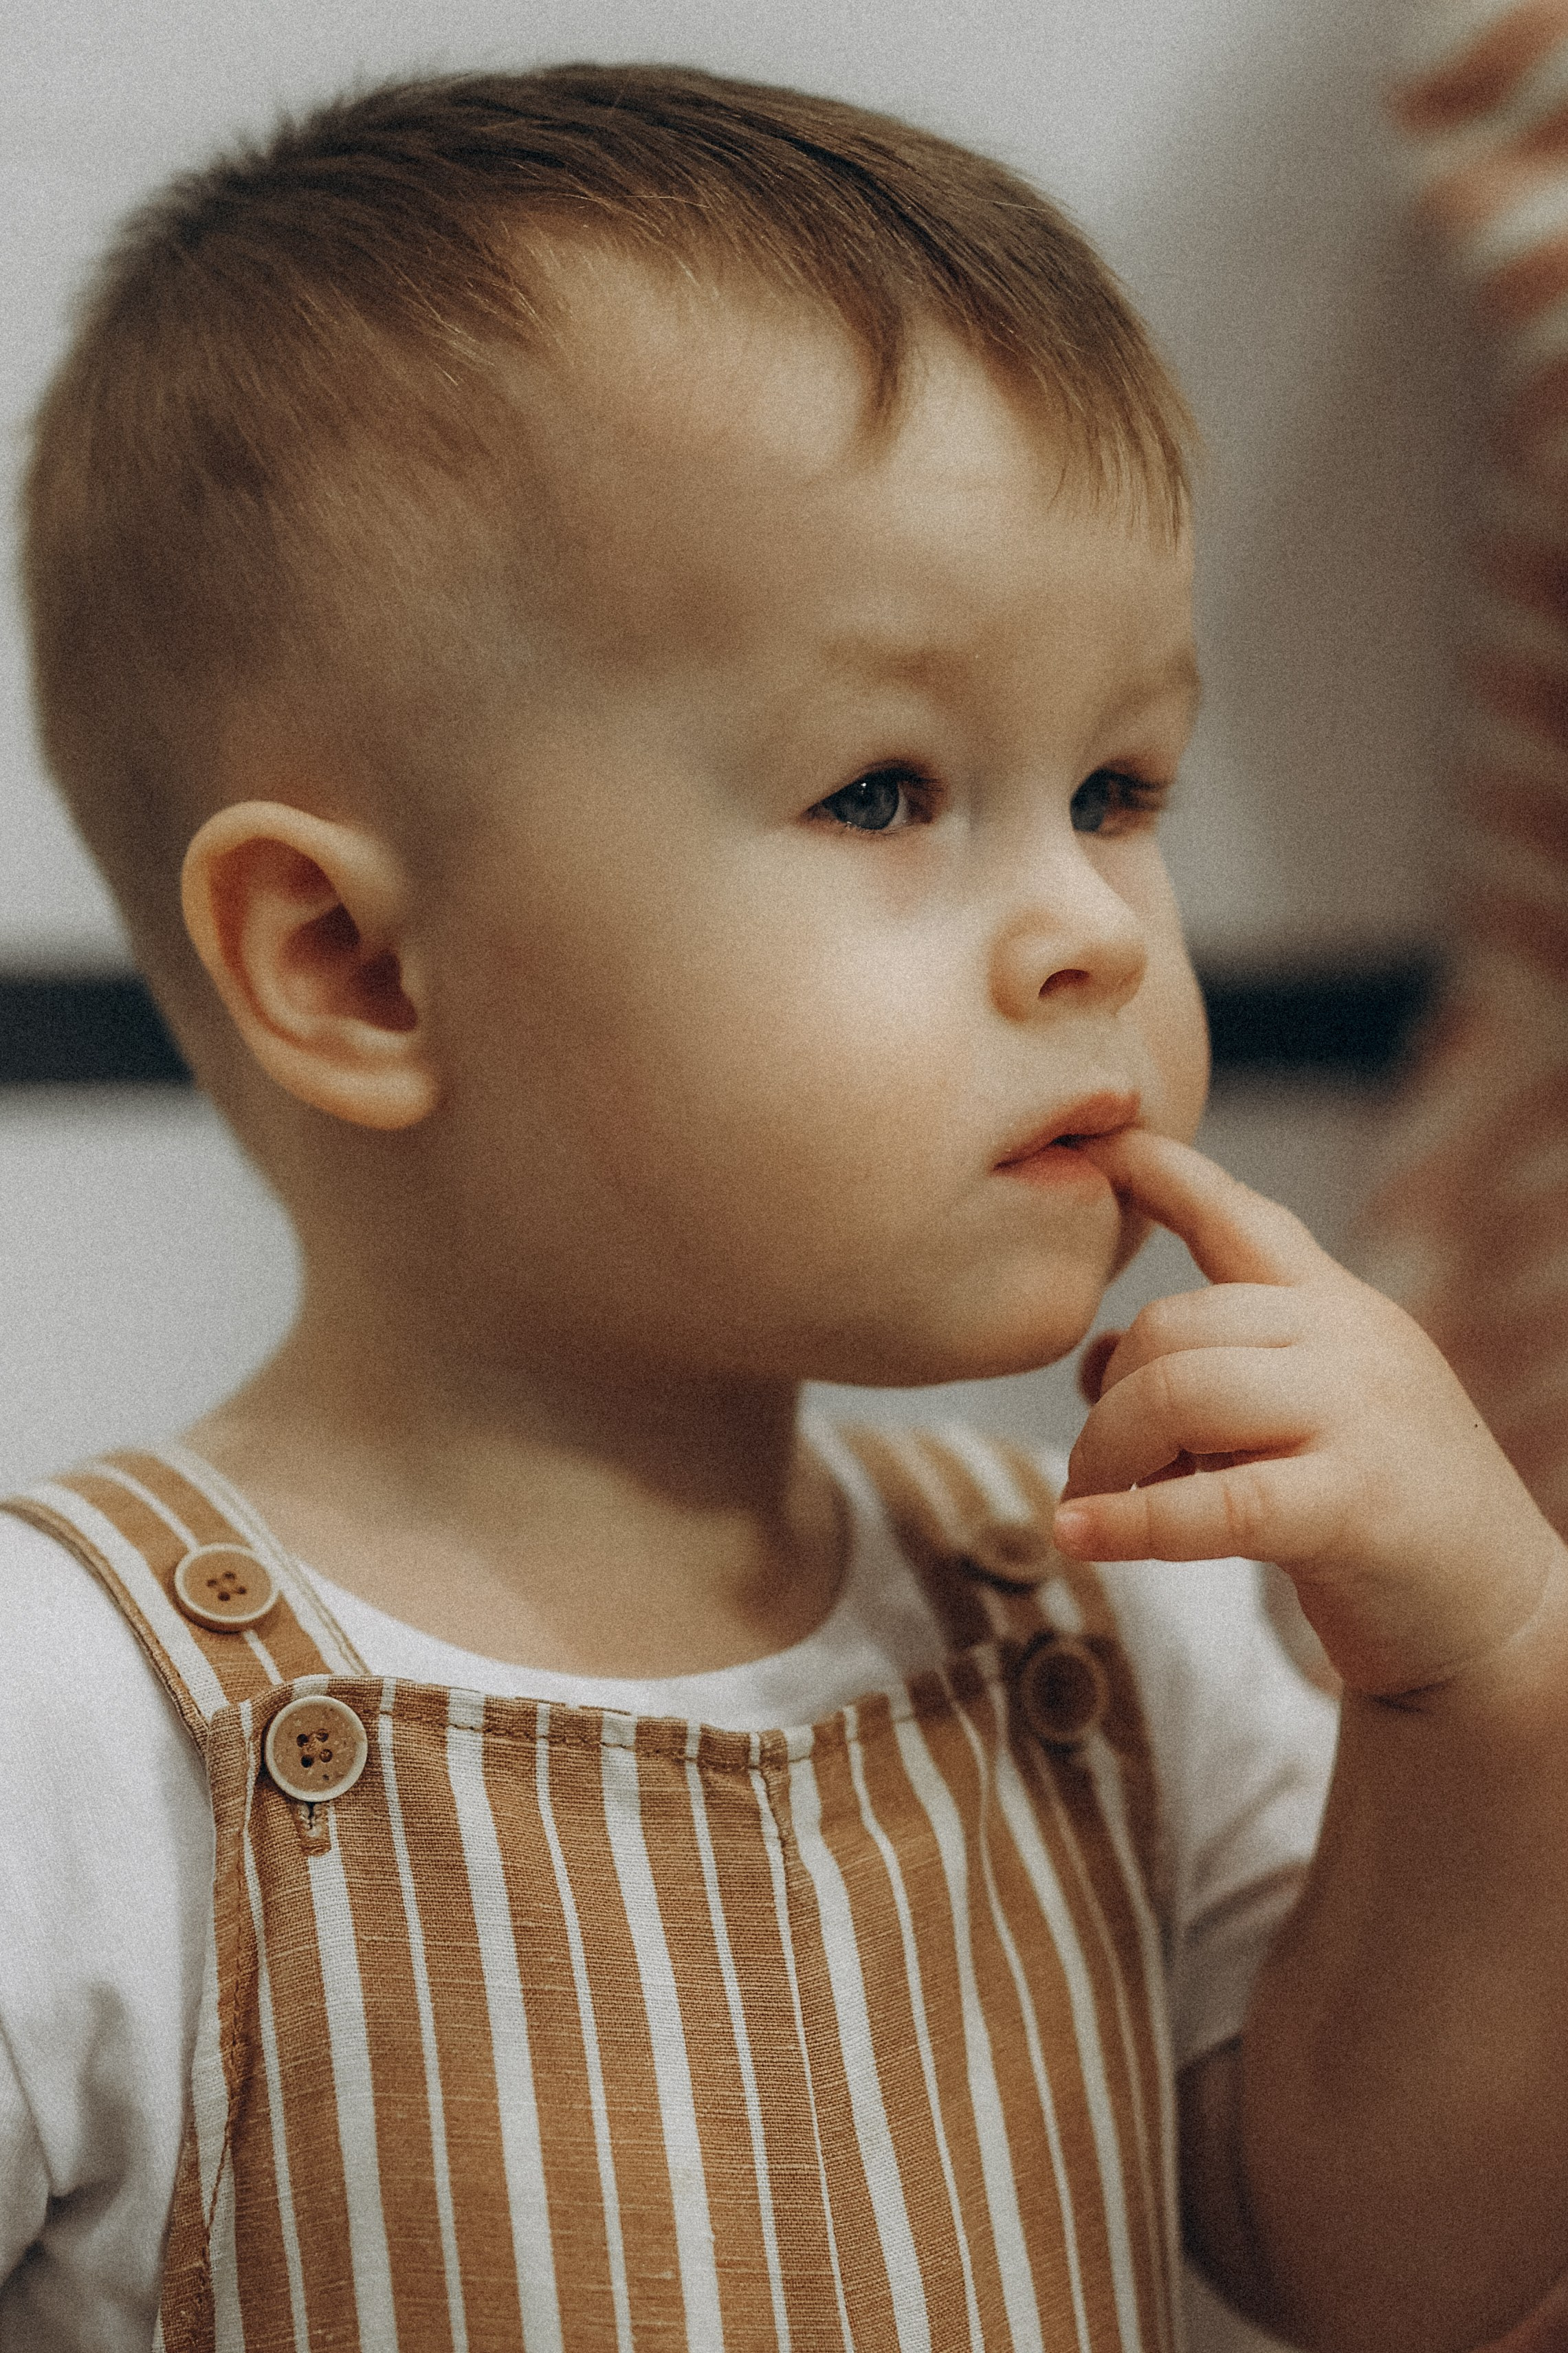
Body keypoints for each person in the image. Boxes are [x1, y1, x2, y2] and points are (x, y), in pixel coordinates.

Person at [2, 63, 1565, 2353]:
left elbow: (1389, 2269)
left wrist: (1489, 1683)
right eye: (883, 790)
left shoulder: (1109, 1632)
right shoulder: (66, 1729)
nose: (1096, 931)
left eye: (1116, 786)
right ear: (354, 967)